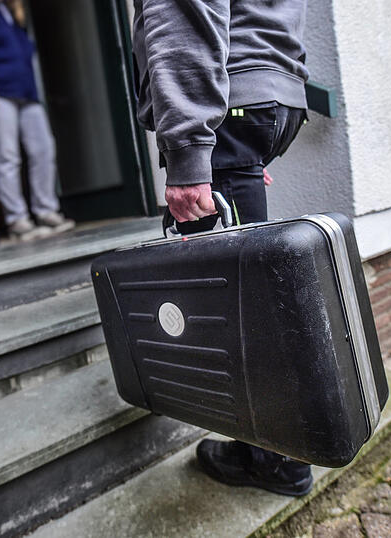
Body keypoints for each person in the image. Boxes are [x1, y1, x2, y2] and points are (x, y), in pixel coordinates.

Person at [132, 0, 313, 495]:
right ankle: (280, 448)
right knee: (254, 297)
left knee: (235, 311)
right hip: (267, 98)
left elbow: (185, 13)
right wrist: (247, 146)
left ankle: (277, 460)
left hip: (228, 101)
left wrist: (191, 152)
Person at [0, 0, 74, 241]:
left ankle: (46, 210)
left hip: (27, 92)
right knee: (7, 156)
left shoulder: (10, 11)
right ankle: (17, 219)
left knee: (43, 149)